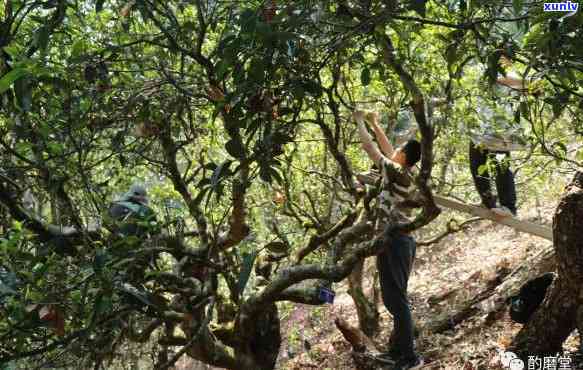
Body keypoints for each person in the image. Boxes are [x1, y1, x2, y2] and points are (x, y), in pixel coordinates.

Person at [353, 110, 423, 370]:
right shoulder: (406, 172)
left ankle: (408, 357)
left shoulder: (397, 172)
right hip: (398, 241)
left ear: (403, 157)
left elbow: (372, 150)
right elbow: (387, 149)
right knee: (395, 298)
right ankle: (398, 351)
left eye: (399, 149)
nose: (394, 150)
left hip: (396, 241)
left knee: (396, 301)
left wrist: (359, 121)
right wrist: (374, 123)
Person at [469, 71, 529, 218]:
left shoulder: (512, 74)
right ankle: (488, 201)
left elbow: (527, 87)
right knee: (477, 165)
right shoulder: (484, 67)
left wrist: (526, 83)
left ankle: (509, 207)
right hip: (481, 130)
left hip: (500, 133)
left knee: (501, 166)